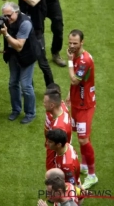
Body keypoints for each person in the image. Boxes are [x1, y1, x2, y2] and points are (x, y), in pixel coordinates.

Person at [3, 0, 54, 87]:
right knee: (22, 57)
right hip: (23, 28)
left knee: (42, 61)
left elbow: (34, 2)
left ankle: (51, 87)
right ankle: (27, 86)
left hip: (36, 30)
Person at [0, 2, 39, 124]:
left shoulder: (25, 23)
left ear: (16, 12)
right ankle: (16, 110)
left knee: (26, 86)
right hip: (13, 55)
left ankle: (30, 113)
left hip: (27, 56)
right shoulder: (6, 20)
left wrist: (6, 34)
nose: (6, 18)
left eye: (9, 15)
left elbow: (19, 46)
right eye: (4, 16)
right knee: (13, 83)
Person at [65, 29, 97, 189]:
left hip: (85, 106)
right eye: (70, 42)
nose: (71, 46)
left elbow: (74, 80)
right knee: (78, 136)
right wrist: (70, 95)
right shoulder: (77, 56)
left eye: (75, 43)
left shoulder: (84, 61)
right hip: (77, 103)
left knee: (83, 139)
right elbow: (75, 83)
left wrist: (70, 61)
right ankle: (84, 164)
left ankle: (92, 175)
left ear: (82, 42)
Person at [44, 84, 72, 170]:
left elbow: (55, 148)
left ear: (52, 105)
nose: (43, 104)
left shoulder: (57, 128)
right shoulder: (63, 107)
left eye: (45, 102)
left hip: (59, 157)